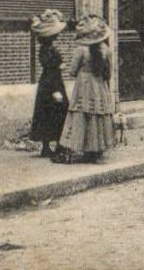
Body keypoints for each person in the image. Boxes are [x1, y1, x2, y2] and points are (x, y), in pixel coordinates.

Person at [56, 14, 115, 163]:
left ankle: (83, 147)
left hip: (84, 86)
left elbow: (72, 71)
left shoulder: (81, 50)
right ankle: (97, 151)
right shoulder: (107, 50)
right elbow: (108, 73)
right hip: (100, 86)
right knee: (97, 115)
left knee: (82, 114)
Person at [28, 9, 70, 157]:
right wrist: (55, 90)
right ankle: (54, 145)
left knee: (48, 113)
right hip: (52, 84)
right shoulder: (47, 50)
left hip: (48, 83)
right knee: (57, 112)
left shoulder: (47, 49)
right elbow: (51, 69)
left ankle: (49, 146)